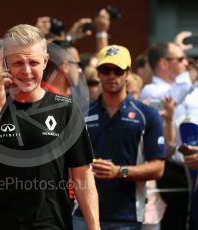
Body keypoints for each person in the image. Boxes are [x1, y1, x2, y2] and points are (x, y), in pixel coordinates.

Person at [0, 24, 100, 230]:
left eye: (33, 62)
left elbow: (82, 174)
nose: (26, 71)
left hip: (52, 224)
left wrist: (94, 227)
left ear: (45, 62)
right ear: (6, 64)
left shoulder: (66, 109)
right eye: (18, 63)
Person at [73, 45, 166, 230]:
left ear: (128, 73)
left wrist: (119, 171)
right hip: (84, 215)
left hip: (127, 217)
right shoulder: (81, 115)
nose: (111, 75)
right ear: (98, 73)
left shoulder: (147, 115)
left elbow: (158, 168)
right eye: (105, 70)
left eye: (117, 70)